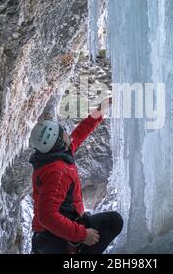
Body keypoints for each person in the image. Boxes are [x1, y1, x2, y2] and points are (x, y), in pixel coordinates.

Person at [29, 97, 123, 254]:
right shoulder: (57, 172)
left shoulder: (56, 155)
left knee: (112, 222)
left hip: (57, 230)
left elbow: (81, 132)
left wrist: (102, 107)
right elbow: (46, 216)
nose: (67, 133)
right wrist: (82, 234)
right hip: (54, 239)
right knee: (113, 222)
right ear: (59, 141)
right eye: (63, 132)